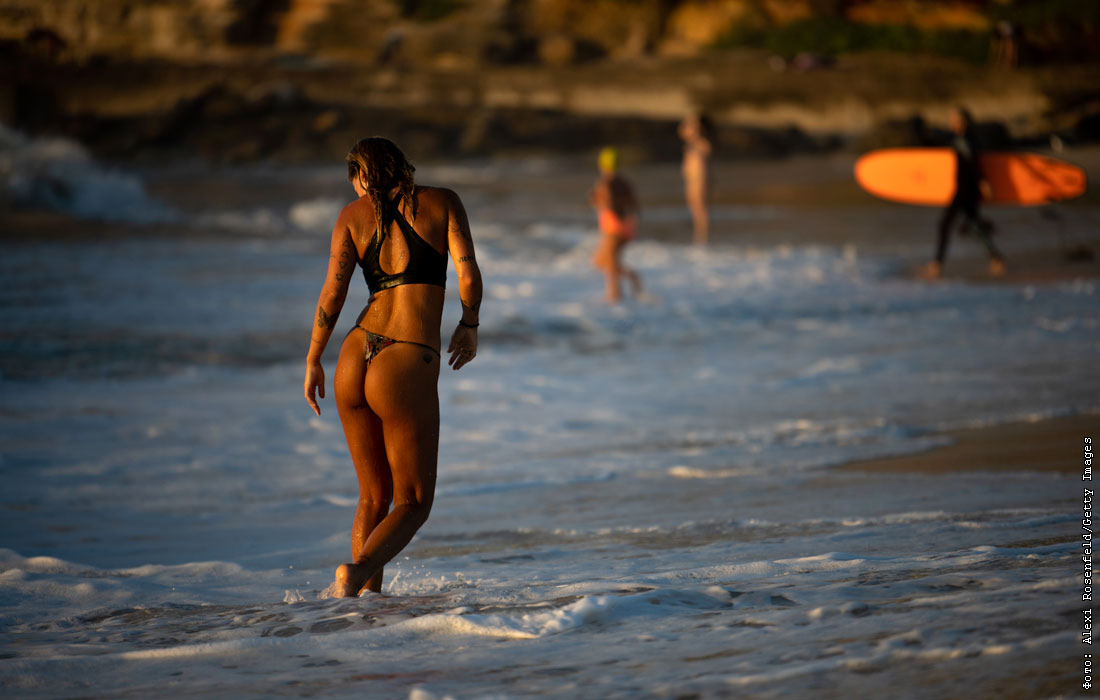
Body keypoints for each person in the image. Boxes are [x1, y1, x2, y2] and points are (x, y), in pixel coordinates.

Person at [304, 137, 483, 598]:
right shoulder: (442, 203)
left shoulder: (350, 217)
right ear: (402, 166)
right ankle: (357, 573)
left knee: (372, 497)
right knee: (414, 502)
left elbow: (332, 296)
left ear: (363, 177)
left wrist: (313, 359)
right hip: (403, 360)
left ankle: (361, 611)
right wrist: (469, 323)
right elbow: (467, 275)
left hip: (352, 355)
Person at [919, 107, 1006, 279]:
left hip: (965, 189)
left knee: (945, 224)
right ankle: (996, 258)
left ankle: (936, 264)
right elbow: (945, 139)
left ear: (964, 122)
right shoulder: (961, 138)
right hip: (967, 188)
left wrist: (983, 181)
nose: (952, 123)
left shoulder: (966, 140)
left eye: (955, 120)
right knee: (972, 225)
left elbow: (974, 162)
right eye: (951, 120)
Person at [589, 146, 643, 303]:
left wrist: (597, 201)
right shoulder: (624, 183)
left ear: (601, 165)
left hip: (612, 227)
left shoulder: (604, 183)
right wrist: (632, 222)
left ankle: (614, 300)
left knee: (610, 268)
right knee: (600, 261)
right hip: (625, 227)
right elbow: (634, 205)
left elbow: (606, 203)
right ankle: (631, 277)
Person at [678, 113, 714, 246]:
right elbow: (681, 131)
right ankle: (697, 235)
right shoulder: (689, 143)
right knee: (693, 207)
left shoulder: (702, 142)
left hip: (701, 178)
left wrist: (696, 133)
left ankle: (703, 238)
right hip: (691, 179)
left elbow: (707, 151)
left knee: (701, 209)